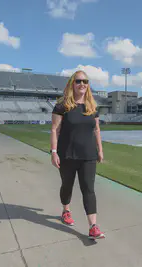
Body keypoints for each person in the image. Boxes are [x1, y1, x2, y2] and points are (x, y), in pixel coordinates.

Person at [50, 70, 105, 240]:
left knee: (88, 189)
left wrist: (100, 150)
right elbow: (55, 129)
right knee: (67, 186)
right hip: (67, 154)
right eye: (79, 81)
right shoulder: (62, 106)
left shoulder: (91, 107)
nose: (82, 84)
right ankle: (66, 210)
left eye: (85, 81)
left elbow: (96, 129)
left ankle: (93, 226)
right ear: (72, 83)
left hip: (88, 155)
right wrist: (53, 152)